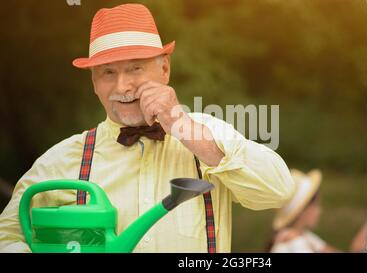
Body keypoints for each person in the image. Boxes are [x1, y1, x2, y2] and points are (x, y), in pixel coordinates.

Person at [0, 3, 294, 253]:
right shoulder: (63, 160)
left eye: (135, 68)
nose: (122, 86)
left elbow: (278, 191)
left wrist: (183, 128)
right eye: (108, 73)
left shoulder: (208, 133)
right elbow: (7, 237)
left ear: (164, 69)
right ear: (94, 83)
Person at [269, 169, 338, 253]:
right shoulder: (294, 242)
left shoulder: (305, 236)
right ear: (303, 210)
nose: (320, 211)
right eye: (316, 205)